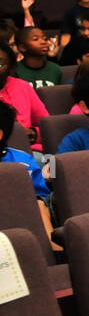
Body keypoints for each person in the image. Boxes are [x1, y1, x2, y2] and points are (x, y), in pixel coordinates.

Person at [0, 101, 55, 243]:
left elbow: (41, 195)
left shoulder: (22, 161)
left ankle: (55, 251)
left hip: (21, 216)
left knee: (39, 203)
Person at [0, 41, 50, 150]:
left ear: (11, 67)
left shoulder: (21, 86)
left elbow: (47, 127)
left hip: (28, 150)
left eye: (0, 64)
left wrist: (33, 134)